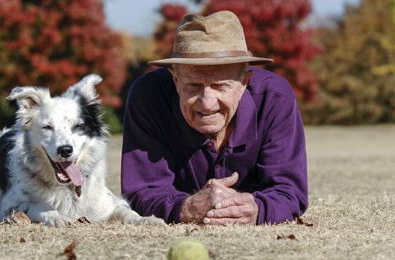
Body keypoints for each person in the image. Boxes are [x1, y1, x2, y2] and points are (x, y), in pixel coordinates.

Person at [121, 10, 308, 225]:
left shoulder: (276, 99)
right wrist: (186, 208)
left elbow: (289, 192)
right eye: (193, 85)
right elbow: (142, 191)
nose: (207, 102)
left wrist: (254, 208)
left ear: (243, 83)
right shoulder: (148, 96)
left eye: (220, 86)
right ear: (175, 79)